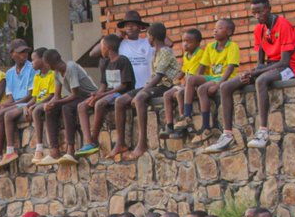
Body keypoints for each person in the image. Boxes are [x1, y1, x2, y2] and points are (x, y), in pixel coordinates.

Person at [207, 0, 295, 152]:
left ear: (268, 9)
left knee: (261, 80)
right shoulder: (260, 29)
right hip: (269, 67)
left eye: (260, 12)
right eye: (254, 13)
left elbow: (284, 62)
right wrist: (251, 72)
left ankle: (263, 132)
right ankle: (227, 135)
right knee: (226, 86)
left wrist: (256, 74)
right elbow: (261, 63)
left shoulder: (284, 25)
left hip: (288, 69)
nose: (257, 16)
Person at [125, 22, 180, 159]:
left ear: (152, 37)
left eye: (148, 36)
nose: (147, 39)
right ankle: (121, 143)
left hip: (165, 86)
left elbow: (159, 76)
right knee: (121, 100)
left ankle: (142, 142)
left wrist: (142, 90)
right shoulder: (156, 52)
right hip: (155, 85)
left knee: (139, 98)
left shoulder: (166, 52)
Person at [180, 18, 239, 141]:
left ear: (228, 32)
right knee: (191, 79)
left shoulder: (232, 46)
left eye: (220, 28)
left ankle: (206, 127)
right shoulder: (210, 47)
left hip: (224, 78)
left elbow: (230, 69)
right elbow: (202, 67)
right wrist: (195, 82)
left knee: (202, 89)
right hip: (211, 77)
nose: (215, 31)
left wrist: (218, 85)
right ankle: (187, 116)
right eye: (214, 28)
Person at [36, 48, 97, 167]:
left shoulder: (71, 67)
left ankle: (71, 150)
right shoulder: (57, 73)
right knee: (51, 110)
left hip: (88, 96)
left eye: (46, 64)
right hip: (76, 97)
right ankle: (54, 151)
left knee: (66, 108)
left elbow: (75, 94)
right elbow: (57, 96)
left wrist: (57, 103)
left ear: (50, 64)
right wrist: (49, 104)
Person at [81, 34, 135, 158]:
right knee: (82, 106)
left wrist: (101, 96)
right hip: (109, 93)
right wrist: (96, 95)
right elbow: (104, 85)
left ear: (107, 47)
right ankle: (88, 141)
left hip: (121, 94)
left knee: (100, 104)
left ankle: (94, 140)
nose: (100, 50)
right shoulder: (105, 63)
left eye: (101, 46)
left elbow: (123, 86)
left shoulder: (123, 60)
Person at [159, 28, 203, 139]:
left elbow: (197, 75)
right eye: (183, 41)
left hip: (195, 85)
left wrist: (183, 85)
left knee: (179, 94)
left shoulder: (200, 54)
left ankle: (185, 122)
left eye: (189, 42)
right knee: (167, 94)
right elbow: (183, 71)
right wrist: (175, 80)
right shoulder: (186, 55)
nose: (185, 44)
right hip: (186, 84)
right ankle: (169, 126)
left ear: (197, 43)